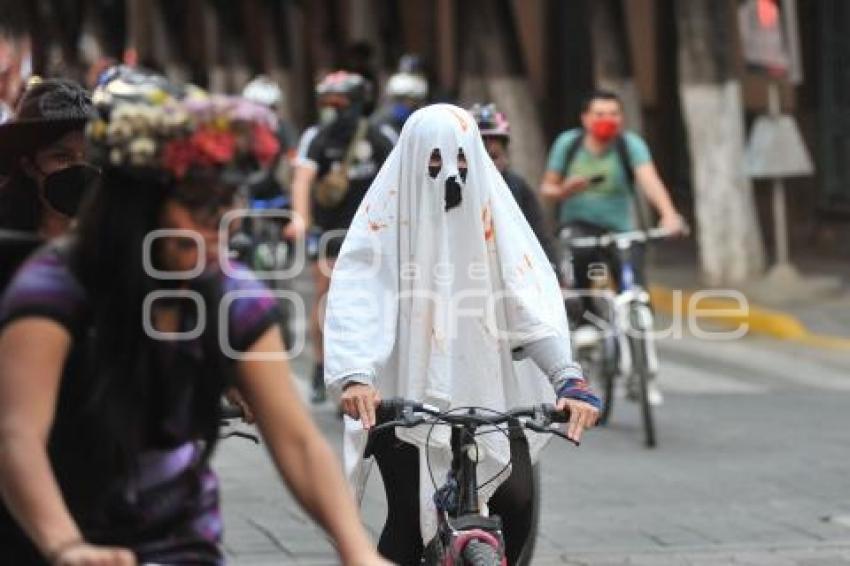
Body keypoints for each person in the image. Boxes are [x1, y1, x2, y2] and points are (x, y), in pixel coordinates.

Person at [0, 85, 388, 566]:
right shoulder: (54, 286)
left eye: (226, 207)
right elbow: (17, 433)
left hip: (181, 543)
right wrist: (67, 547)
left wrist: (357, 549)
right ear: (140, 206)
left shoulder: (231, 293)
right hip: (52, 536)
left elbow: (300, 441)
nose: (217, 227)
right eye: (200, 207)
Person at [323, 104, 601, 565]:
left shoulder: (498, 223)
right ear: (412, 159)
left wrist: (568, 378)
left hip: (491, 392)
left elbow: (528, 304)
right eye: (434, 162)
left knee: (516, 499)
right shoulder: (381, 222)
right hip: (401, 397)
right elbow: (358, 298)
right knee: (408, 523)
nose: (450, 175)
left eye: (462, 161)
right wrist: (356, 376)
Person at [540, 90, 683, 405]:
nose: (607, 120)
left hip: (621, 229)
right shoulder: (569, 144)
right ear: (585, 118)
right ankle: (586, 331)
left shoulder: (629, 145)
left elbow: (650, 181)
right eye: (600, 114)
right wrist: (564, 190)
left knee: (635, 292)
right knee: (580, 277)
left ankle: (641, 372)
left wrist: (669, 214)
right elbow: (546, 188)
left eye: (614, 113)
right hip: (578, 227)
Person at [287, 70, 395, 403]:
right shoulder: (316, 137)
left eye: (340, 104)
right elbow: (302, 179)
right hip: (332, 232)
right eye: (327, 104)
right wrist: (300, 219)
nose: (333, 111)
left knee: (382, 301)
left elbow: (399, 179)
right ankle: (322, 368)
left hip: (374, 236)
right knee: (326, 299)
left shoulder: (382, 136)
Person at [0, 77, 99, 293]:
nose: (80, 167)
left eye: (90, 156)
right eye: (62, 157)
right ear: (28, 166)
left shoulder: (115, 234)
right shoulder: (5, 238)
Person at [469, 102, 557, 269]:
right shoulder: (451, 187)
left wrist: (553, 271)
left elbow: (538, 233)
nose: (486, 164)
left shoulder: (517, 187)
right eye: (479, 155)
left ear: (505, 156)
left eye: (493, 156)